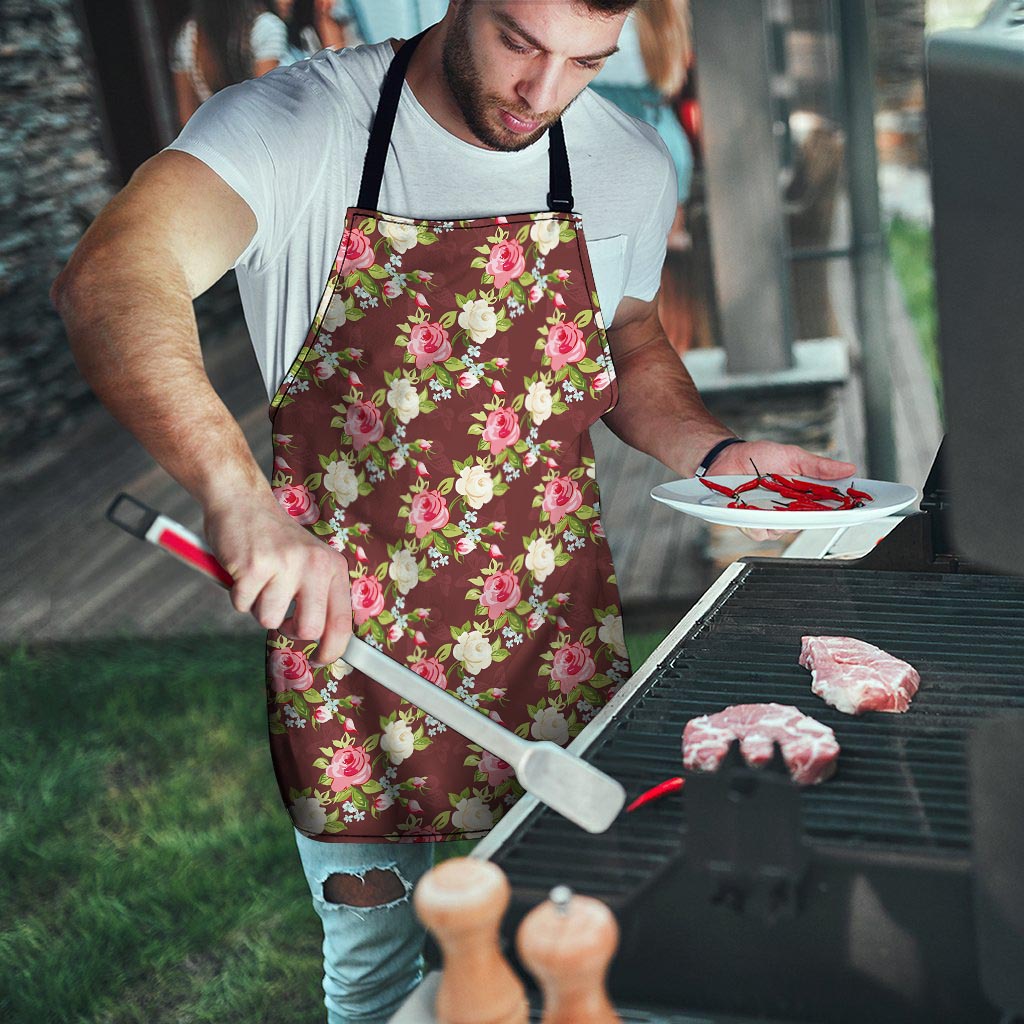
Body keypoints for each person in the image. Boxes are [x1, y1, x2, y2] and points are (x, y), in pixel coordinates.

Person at [52, 2, 855, 1020]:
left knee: (577, 945)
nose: (543, 93)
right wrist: (238, 497)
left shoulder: (625, 160)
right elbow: (112, 274)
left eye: (585, 62)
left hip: (551, 641)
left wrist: (718, 450)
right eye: (521, 42)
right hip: (350, 658)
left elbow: (630, 337)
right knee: (381, 975)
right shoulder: (298, 125)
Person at [170, 0, 289, 127]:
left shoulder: (187, 36)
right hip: (264, 136)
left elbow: (187, 117)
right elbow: (266, 104)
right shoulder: (265, 27)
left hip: (215, 138)